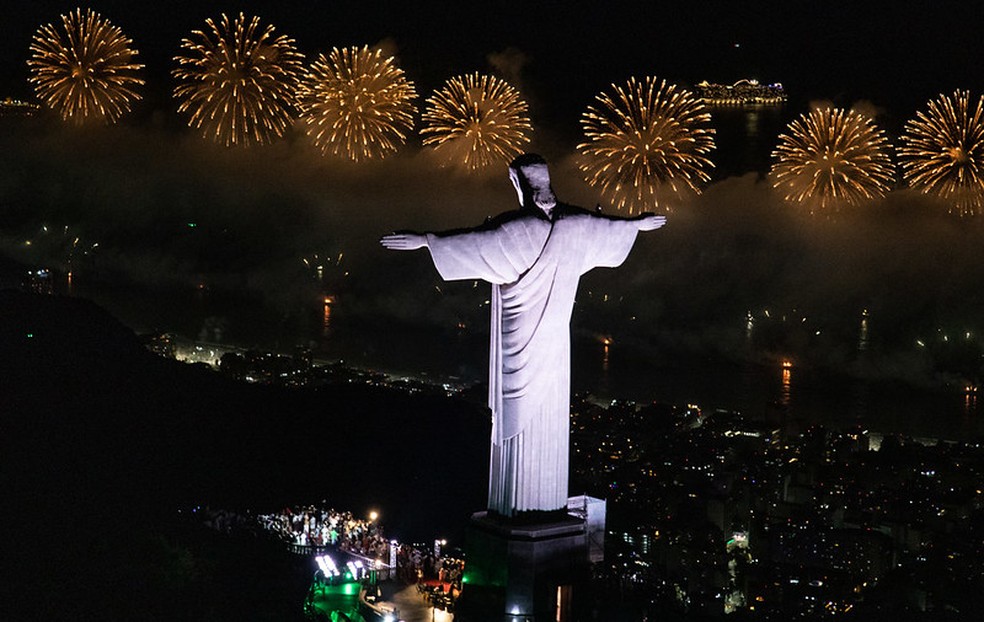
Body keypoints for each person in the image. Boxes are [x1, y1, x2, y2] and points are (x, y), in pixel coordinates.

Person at [381, 153, 665, 517]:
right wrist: (636, 225)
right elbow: (609, 228)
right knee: (548, 419)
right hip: (556, 348)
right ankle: (543, 507)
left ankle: (517, 509)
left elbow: (472, 243)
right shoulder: (576, 225)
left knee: (515, 428)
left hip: (518, 342)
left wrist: (426, 240)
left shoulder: (515, 231)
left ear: (518, 185)